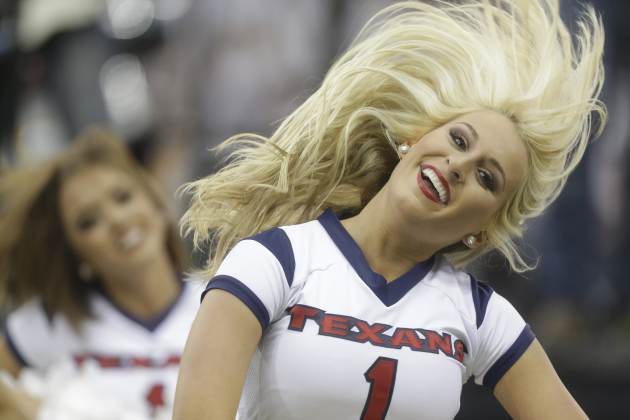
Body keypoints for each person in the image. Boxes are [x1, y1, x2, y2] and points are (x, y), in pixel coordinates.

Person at [173, 0, 605, 419]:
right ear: (412, 139)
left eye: (486, 178)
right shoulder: (274, 260)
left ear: (484, 229)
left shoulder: (478, 314)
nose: (459, 167)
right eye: (458, 140)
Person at [0, 128, 201, 419]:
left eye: (123, 197)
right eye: (88, 222)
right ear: (77, 256)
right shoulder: (54, 321)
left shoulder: (220, 299)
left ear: (155, 201)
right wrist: (43, 411)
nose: (118, 220)